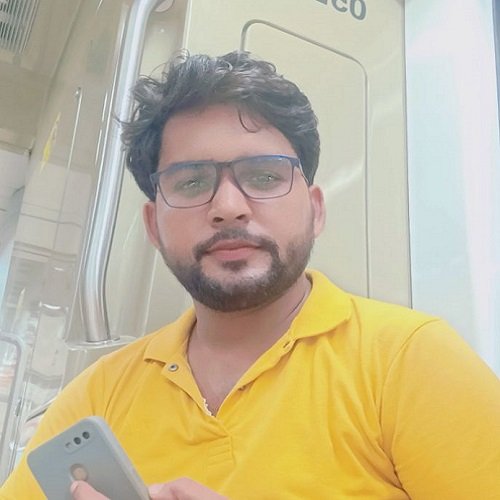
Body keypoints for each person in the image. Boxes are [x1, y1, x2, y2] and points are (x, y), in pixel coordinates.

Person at [1, 51, 500, 500]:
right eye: (191, 182)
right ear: (153, 225)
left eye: (263, 176)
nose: (228, 206)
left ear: (315, 209)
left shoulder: (407, 359)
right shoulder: (99, 394)